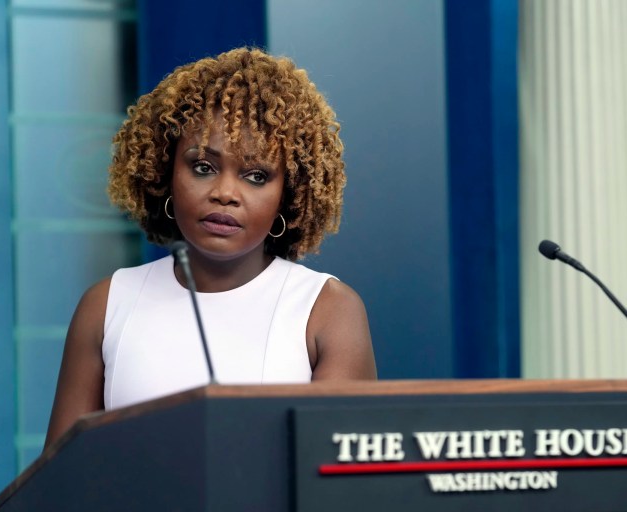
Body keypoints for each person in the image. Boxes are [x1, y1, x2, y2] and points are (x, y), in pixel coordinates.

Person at [44, 48, 377, 448]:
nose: (224, 193)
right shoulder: (107, 304)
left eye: (256, 176)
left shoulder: (327, 310)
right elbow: (59, 482)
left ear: (287, 197)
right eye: (203, 167)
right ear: (164, 172)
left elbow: (337, 481)